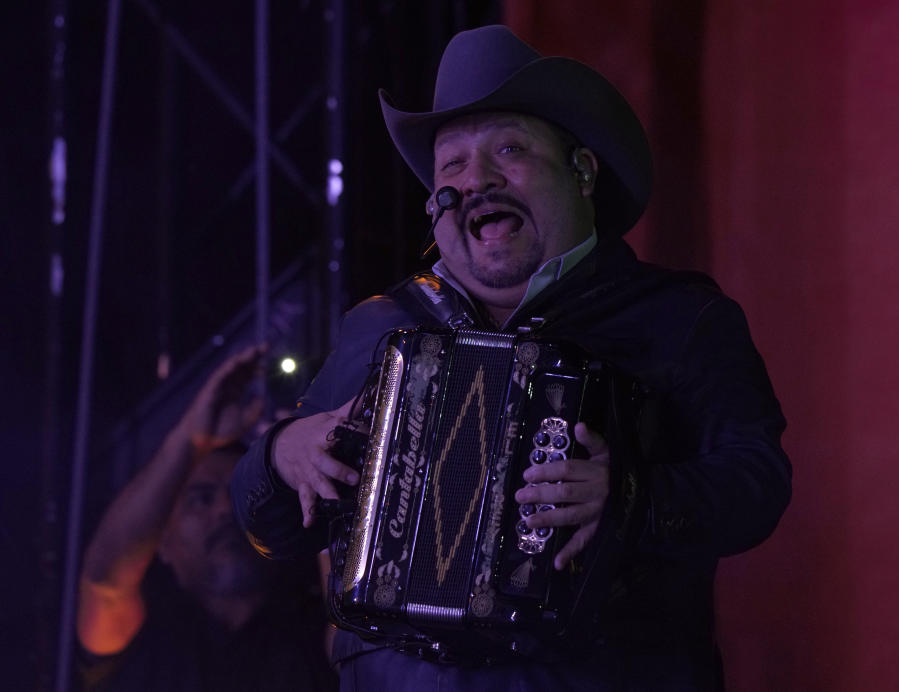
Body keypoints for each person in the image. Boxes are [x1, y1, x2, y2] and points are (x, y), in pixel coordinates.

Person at [231, 25, 791, 692]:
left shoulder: (678, 318)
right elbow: (271, 525)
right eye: (453, 167)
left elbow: (756, 485)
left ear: (581, 171)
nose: (478, 180)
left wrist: (632, 499)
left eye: (509, 150)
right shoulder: (381, 325)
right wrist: (282, 451)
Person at [76, 345, 337, 691]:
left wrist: (315, 476)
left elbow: (350, 638)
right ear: (162, 543)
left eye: (238, 497)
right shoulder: (150, 642)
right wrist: (190, 439)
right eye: (201, 499)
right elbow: (104, 582)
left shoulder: (310, 629)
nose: (224, 510)